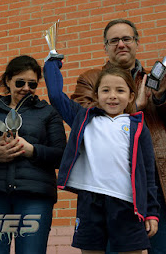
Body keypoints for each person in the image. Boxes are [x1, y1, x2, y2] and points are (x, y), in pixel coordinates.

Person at [70, 19, 166, 254]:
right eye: (114, 40)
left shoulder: (155, 79)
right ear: (105, 47)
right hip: (112, 187)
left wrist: (161, 98)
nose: (121, 44)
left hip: (156, 179)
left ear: (136, 43)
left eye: (127, 39)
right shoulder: (90, 80)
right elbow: (83, 118)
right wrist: (134, 106)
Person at [44, 60, 159, 253]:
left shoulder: (138, 127)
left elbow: (148, 174)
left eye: (120, 91)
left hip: (127, 205)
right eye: (105, 90)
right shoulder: (83, 118)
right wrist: (51, 65)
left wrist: (152, 213)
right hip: (90, 201)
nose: (112, 96)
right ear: (96, 95)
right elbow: (56, 96)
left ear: (131, 96)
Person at [0, 55, 67, 253]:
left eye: (32, 84)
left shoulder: (48, 112)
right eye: (20, 82)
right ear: (7, 81)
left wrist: (32, 151)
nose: (26, 88)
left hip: (35, 197)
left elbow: (61, 155)